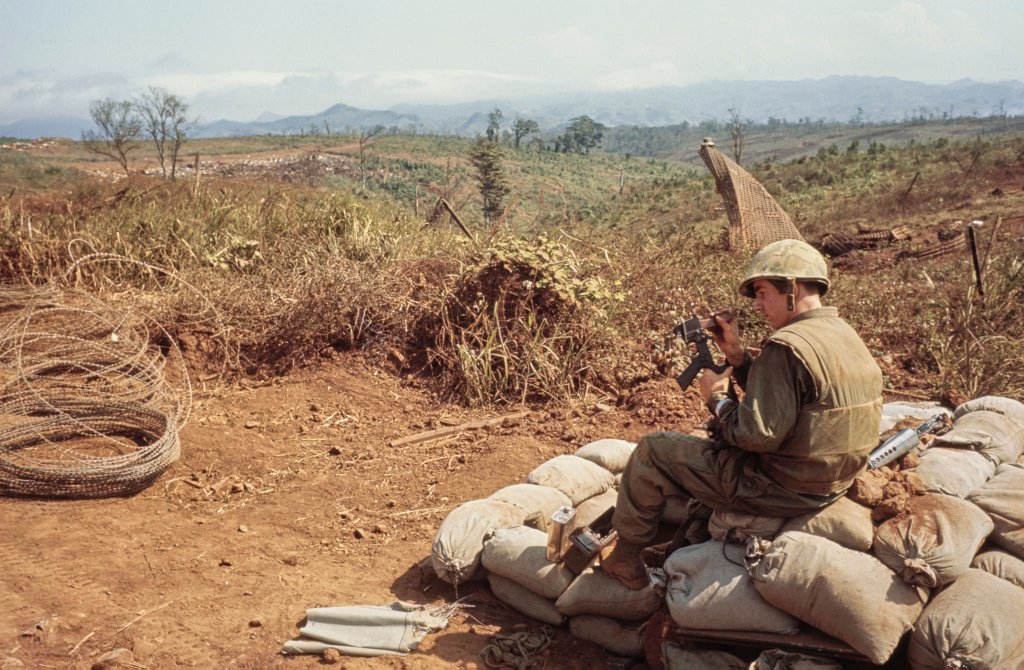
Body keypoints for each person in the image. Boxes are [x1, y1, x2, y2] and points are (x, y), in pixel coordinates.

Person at [602, 239, 883, 589]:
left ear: (792, 288)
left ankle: (625, 558)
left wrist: (717, 399)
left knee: (653, 450)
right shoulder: (842, 334)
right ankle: (686, 541)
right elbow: (789, 401)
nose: (759, 305)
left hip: (780, 487)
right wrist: (736, 357)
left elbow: (756, 435)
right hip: (828, 481)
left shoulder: (787, 346)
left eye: (763, 292)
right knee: (713, 450)